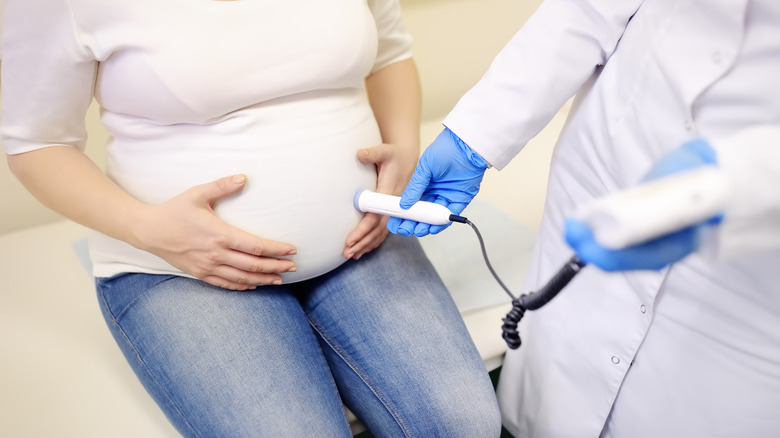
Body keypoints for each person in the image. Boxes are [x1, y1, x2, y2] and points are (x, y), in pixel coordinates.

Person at [0, 0, 503, 436]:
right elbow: (37, 142)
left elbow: (390, 54)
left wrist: (404, 154)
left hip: (362, 240)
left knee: (464, 426)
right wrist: (152, 232)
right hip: (178, 268)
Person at [389, 0, 780, 437]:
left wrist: (744, 183)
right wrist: (474, 137)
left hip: (753, 264)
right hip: (618, 153)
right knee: (556, 402)